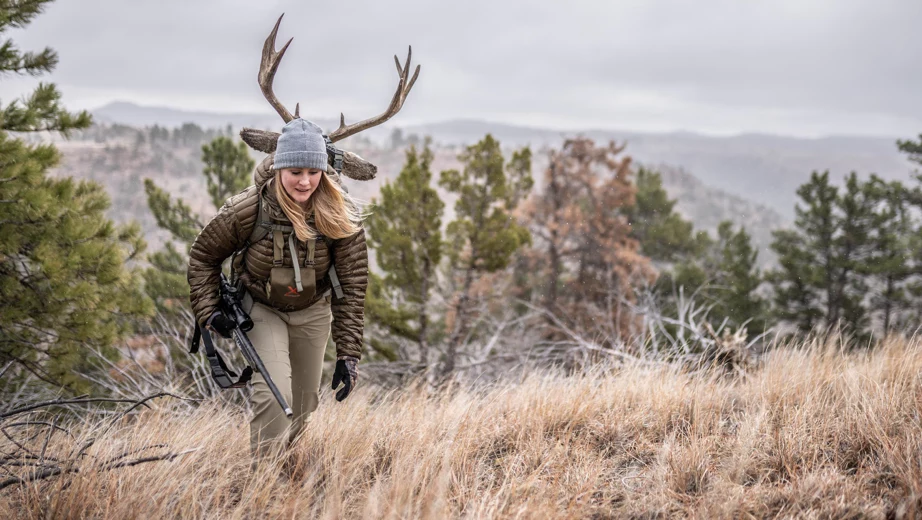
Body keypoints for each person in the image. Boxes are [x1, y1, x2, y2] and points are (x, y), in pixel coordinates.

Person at [187, 118, 367, 458]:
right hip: (262, 309)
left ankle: (284, 465)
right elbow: (202, 257)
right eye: (295, 171)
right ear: (279, 167)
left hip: (314, 311)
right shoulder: (248, 208)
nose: (305, 181)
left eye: (313, 172)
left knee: (303, 403)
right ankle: (261, 488)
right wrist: (209, 310)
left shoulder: (341, 214)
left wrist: (349, 354)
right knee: (273, 396)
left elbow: (353, 287)